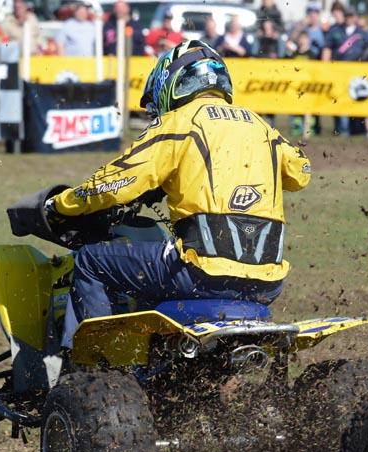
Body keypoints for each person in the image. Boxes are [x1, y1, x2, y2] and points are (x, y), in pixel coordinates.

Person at [40, 40, 310, 350]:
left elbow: (117, 183)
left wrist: (60, 204)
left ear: (172, 84)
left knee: (90, 261)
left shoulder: (178, 123)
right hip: (268, 281)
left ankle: (95, 365)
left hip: (202, 272)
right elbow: (301, 173)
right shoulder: (263, 127)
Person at [322, 6, 368, 136]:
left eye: (351, 16)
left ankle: (356, 130)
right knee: (340, 100)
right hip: (339, 72)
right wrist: (325, 67)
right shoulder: (335, 31)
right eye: (347, 16)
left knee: (357, 101)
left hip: (357, 74)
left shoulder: (363, 33)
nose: (349, 18)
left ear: (355, 17)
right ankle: (342, 129)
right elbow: (327, 48)